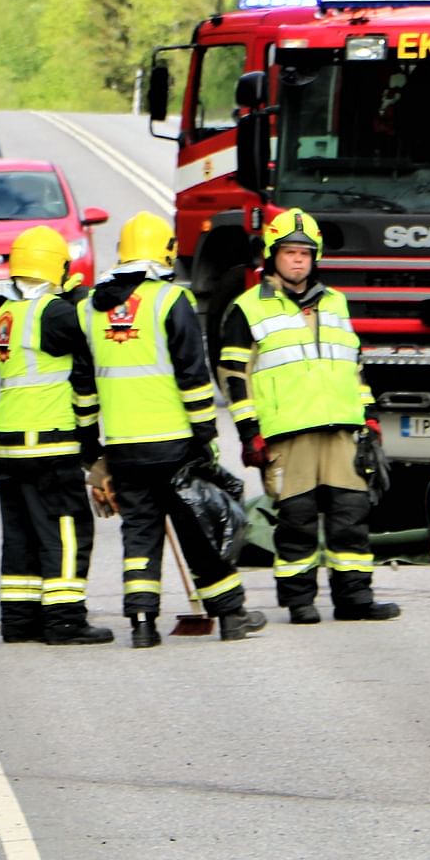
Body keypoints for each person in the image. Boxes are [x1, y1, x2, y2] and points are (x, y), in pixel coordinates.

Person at [86, 211, 264, 647]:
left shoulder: (91, 309)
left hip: (125, 449)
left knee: (140, 535)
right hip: (174, 446)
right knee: (200, 529)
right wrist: (206, 438)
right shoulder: (170, 301)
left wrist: (94, 455)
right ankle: (231, 616)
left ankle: (142, 625)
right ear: (164, 252)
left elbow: (83, 388)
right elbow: (194, 378)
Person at [218, 209, 400, 623]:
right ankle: (299, 602)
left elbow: (353, 366)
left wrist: (368, 419)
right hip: (287, 432)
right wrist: (250, 432)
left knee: (351, 518)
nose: (298, 260)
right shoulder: (248, 309)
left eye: (305, 253)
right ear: (272, 256)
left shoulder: (336, 302)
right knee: (296, 521)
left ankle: (355, 599)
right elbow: (233, 376)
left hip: (341, 428)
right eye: (289, 252)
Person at [0, 225, 113, 645]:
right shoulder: (53, 313)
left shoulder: (4, 316)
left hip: (10, 443)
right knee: (66, 528)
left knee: (21, 532)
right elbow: (91, 327)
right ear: (55, 266)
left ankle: (19, 619)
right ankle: (64, 620)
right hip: (50, 441)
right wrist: (80, 295)